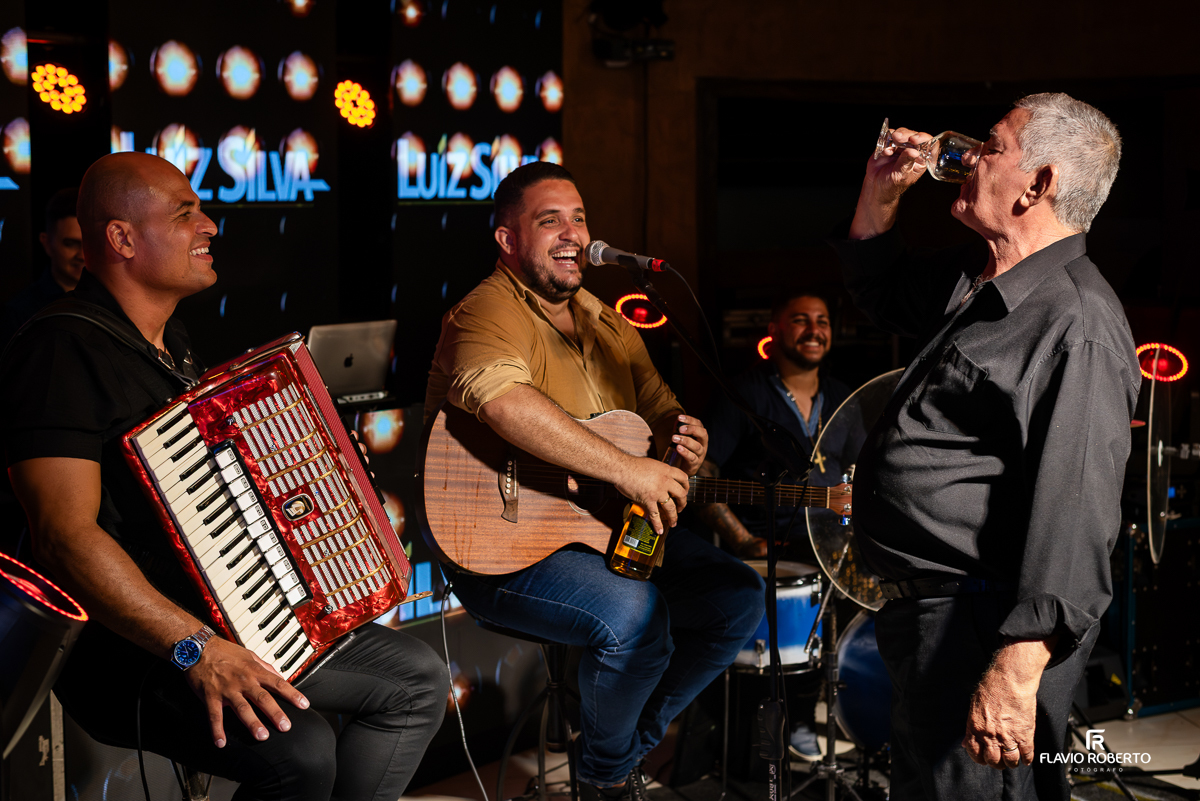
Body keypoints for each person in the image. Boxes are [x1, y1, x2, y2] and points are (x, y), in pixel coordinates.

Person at [1, 152, 448, 801]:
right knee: (303, 750)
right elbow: (63, 537)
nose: (210, 224)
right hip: (134, 649)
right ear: (123, 238)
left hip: (227, 619)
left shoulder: (171, 343)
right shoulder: (58, 350)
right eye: (186, 213)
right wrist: (197, 649)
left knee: (418, 678)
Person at [425, 161, 765, 801]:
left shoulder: (609, 321)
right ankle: (609, 780)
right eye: (549, 219)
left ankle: (611, 757)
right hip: (496, 549)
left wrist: (683, 440)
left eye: (578, 218)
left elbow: (662, 408)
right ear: (507, 241)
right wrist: (628, 468)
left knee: (736, 596)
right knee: (637, 616)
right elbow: (500, 401)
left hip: (597, 530)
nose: (572, 233)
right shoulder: (484, 312)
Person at [831, 93, 1138, 800]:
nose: (967, 154)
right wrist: (881, 190)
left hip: (983, 631)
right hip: (934, 623)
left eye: (991, 145)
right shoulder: (980, 282)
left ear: (1039, 184)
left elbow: (1078, 511)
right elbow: (877, 289)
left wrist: (1017, 666)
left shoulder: (1077, 318)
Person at [696, 289, 852, 761]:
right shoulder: (744, 394)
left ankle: (811, 719)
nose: (814, 329)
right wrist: (745, 542)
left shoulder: (844, 398)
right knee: (767, 665)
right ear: (775, 331)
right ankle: (761, 737)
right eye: (800, 319)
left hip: (833, 549)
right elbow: (703, 474)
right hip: (769, 553)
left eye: (822, 319)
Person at [0, 187, 85, 344]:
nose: (82, 255)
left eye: (89, 244)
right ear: (47, 243)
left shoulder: (116, 302)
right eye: (70, 244)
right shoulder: (20, 312)